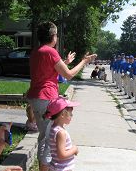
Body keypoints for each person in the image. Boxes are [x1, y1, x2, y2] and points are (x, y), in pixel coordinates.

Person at [26, 21, 96, 171]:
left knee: (44, 135)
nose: (57, 37)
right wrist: (84, 61)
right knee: (48, 137)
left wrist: (65, 62)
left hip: (36, 97)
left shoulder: (37, 51)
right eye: (56, 35)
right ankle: (44, 168)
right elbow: (69, 75)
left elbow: (47, 71)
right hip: (46, 97)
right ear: (52, 36)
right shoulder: (50, 52)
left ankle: (45, 166)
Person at [43, 97, 79, 171]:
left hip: (56, 166)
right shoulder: (61, 133)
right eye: (70, 113)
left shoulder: (53, 128)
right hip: (62, 168)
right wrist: (74, 149)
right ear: (62, 114)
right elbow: (61, 155)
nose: (72, 115)